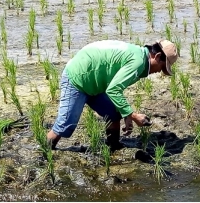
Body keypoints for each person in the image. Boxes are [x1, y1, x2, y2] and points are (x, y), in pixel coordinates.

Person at [47, 39, 178, 151]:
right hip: (77, 79)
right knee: (64, 125)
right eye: (162, 67)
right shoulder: (138, 62)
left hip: (95, 82)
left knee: (114, 114)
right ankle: (44, 152)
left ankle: (113, 146)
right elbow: (114, 90)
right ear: (157, 56)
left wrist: (126, 114)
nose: (159, 71)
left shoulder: (140, 58)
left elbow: (114, 87)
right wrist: (133, 116)